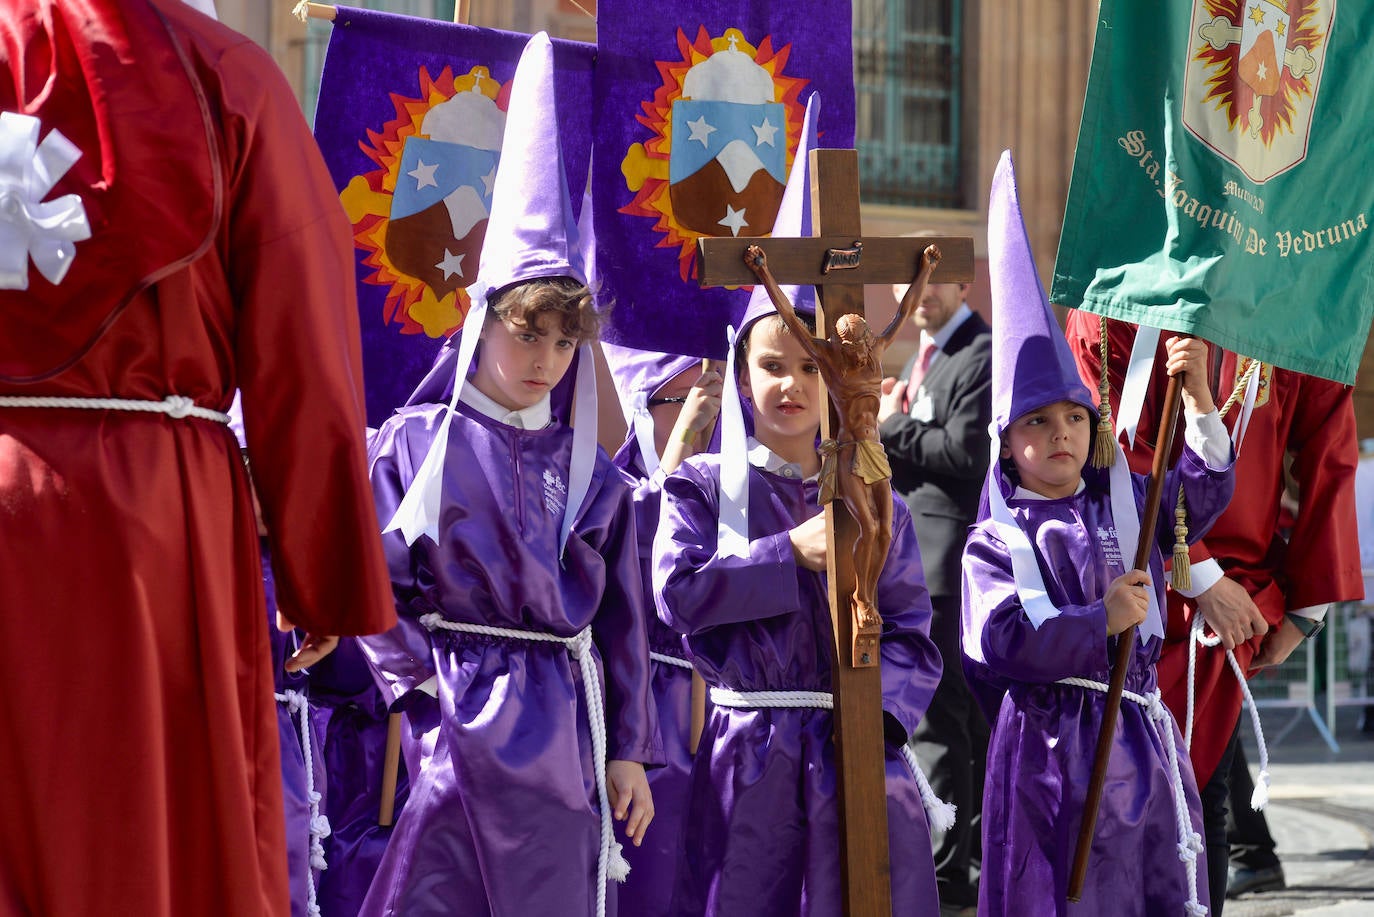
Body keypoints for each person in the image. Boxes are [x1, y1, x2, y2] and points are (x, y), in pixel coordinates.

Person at [0, 2, 395, 914]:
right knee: (138, 826)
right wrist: (320, 568)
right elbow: (304, 338)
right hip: (144, 519)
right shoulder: (225, 74)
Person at [356, 33, 659, 917]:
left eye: (564, 342)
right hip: (453, 732)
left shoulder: (595, 477)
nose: (546, 360)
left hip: (564, 737)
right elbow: (375, 580)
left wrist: (627, 749)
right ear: (481, 321)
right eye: (528, 334)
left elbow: (625, 624)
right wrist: (422, 690)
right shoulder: (416, 446)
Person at [652, 94, 945, 916]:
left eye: (813, 368)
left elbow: (912, 631)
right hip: (749, 760)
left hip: (857, 758)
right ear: (742, 375)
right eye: (774, 365)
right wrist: (790, 552)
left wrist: (878, 719)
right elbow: (676, 594)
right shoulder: (702, 486)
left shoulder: (876, 497)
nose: (793, 384)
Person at [962, 152, 1235, 917]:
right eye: (1038, 421)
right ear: (1006, 442)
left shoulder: (1126, 501)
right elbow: (999, 640)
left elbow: (1200, 495)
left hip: (1138, 742)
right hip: (1051, 756)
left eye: (1074, 417)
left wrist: (1199, 394)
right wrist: (1098, 621)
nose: (1061, 434)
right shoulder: (999, 537)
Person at [1066, 304, 1362, 914]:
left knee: (1204, 802)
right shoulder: (1119, 298)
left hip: (1232, 601)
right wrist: (1199, 573)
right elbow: (1110, 444)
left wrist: (1308, 605)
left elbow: (1328, 438)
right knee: (1110, 802)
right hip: (1129, 583)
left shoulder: (1289, 298)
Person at [876, 238, 993, 913]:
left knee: (939, 719)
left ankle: (947, 874)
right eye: (907, 283)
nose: (919, 294)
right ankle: (965, 860)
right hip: (917, 556)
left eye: (934, 280)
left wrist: (892, 423)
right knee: (960, 718)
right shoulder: (930, 355)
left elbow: (965, 453)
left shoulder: (979, 353)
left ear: (964, 284)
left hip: (946, 560)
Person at [603, 343, 722, 917]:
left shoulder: (736, 484)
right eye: (685, 399)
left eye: (718, 398)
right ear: (644, 407)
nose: (709, 415)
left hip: (719, 708)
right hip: (641, 706)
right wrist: (676, 458)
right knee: (648, 880)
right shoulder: (611, 483)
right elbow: (629, 548)